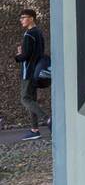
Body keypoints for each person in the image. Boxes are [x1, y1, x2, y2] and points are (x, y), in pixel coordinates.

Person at [16, 9, 48, 141]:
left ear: (32, 18)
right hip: (36, 71)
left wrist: (18, 55)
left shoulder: (29, 34)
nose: (21, 20)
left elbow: (25, 56)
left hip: (28, 72)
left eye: (24, 17)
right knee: (32, 100)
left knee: (25, 99)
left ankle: (47, 119)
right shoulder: (39, 33)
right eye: (21, 17)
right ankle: (35, 130)